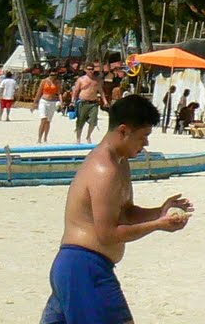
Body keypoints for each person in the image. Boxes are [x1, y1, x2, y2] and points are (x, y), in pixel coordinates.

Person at [40, 94, 191, 324]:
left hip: (85, 268)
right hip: (84, 268)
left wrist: (160, 211)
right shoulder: (104, 169)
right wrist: (157, 226)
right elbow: (108, 234)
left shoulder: (120, 162)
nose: (146, 144)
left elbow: (126, 212)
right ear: (123, 131)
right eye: (143, 137)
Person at [73, 66, 104, 143]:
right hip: (83, 103)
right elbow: (76, 91)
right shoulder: (81, 79)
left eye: (92, 69)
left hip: (93, 103)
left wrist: (105, 101)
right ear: (85, 70)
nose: (90, 70)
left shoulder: (96, 80)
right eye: (89, 69)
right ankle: (78, 138)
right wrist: (72, 101)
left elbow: (101, 91)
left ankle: (88, 136)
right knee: (80, 121)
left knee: (93, 122)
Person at [37, 70, 63, 143]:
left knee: (48, 121)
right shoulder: (44, 81)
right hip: (44, 101)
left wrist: (61, 102)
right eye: (51, 75)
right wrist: (35, 102)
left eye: (54, 75)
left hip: (52, 102)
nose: (53, 76)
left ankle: (45, 137)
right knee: (43, 119)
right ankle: (39, 138)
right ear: (49, 74)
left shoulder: (57, 82)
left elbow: (59, 93)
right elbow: (39, 92)